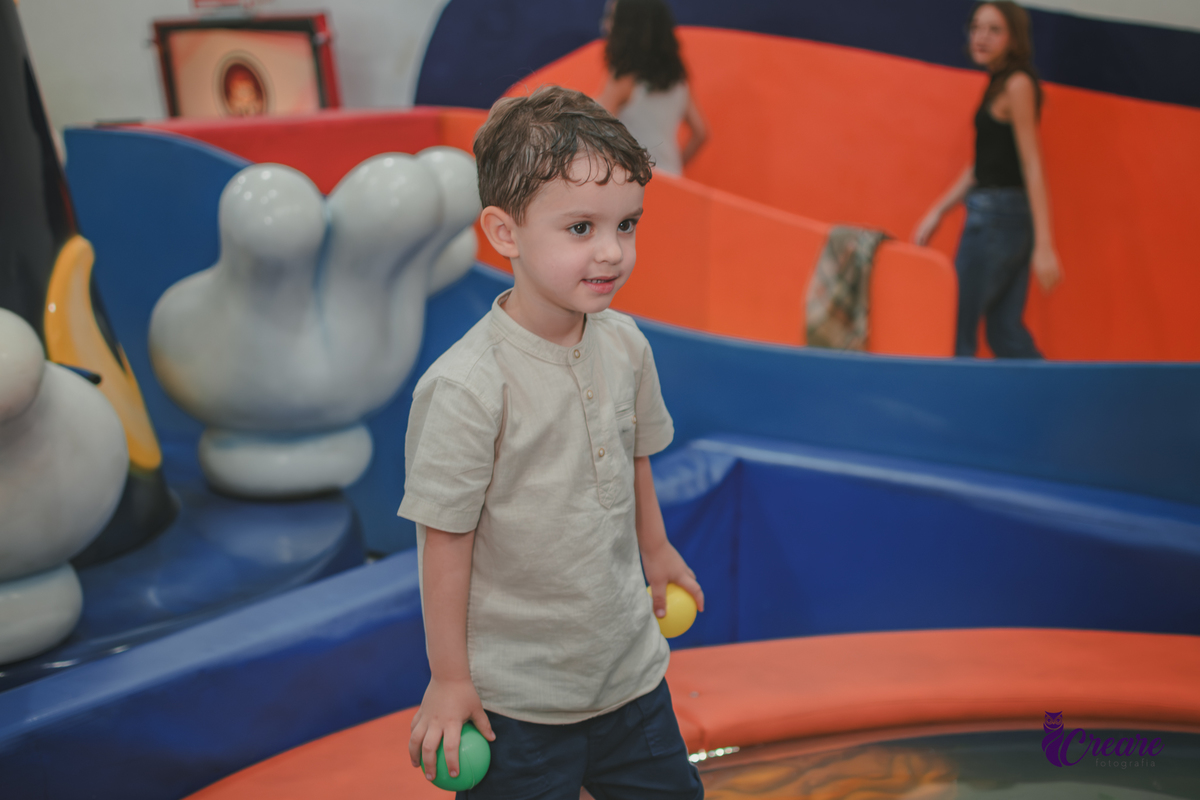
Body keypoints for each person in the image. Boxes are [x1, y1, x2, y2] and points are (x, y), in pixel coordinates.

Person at [400, 85, 706, 800]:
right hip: (520, 704)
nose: (611, 252)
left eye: (626, 225)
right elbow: (444, 539)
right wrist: (451, 680)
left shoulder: (626, 345)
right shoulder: (469, 387)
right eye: (580, 229)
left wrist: (655, 549)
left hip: (629, 677)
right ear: (505, 233)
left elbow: (633, 455)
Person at [913, 1, 1062, 358]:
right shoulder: (998, 81)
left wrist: (1045, 244)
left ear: (1014, 38)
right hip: (1003, 215)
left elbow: (1032, 163)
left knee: (956, 330)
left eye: (994, 30)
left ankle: (956, 411)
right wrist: (938, 210)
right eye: (977, 27)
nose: (981, 37)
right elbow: (983, 164)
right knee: (1004, 332)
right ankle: (1051, 402)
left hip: (997, 219)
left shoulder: (1017, 84)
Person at [597, 0, 707, 176]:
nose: (605, 25)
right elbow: (701, 133)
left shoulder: (623, 80)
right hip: (673, 182)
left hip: (636, 182)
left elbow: (593, 131)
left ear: (628, 26)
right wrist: (675, 166)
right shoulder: (678, 82)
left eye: (612, 17)